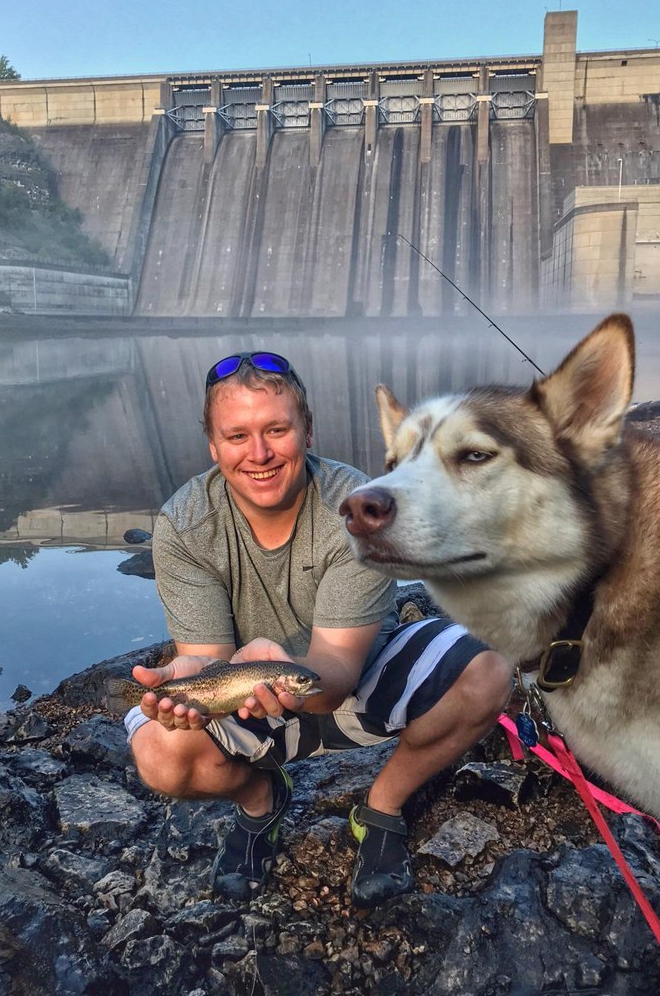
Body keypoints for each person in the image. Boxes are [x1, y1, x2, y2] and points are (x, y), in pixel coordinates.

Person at [125, 351, 512, 907]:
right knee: (160, 751)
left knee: (488, 670)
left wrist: (278, 665)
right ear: (213, 447)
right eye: (237, 436)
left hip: (343, 687)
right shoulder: (185, 524)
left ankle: (381, 807)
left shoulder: (357, 507)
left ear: (308, 432)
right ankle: (262, 801)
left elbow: (335, 671)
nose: (258, 454)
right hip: (249, 701)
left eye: (276, 430)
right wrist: (191, 682)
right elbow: (208, 663)